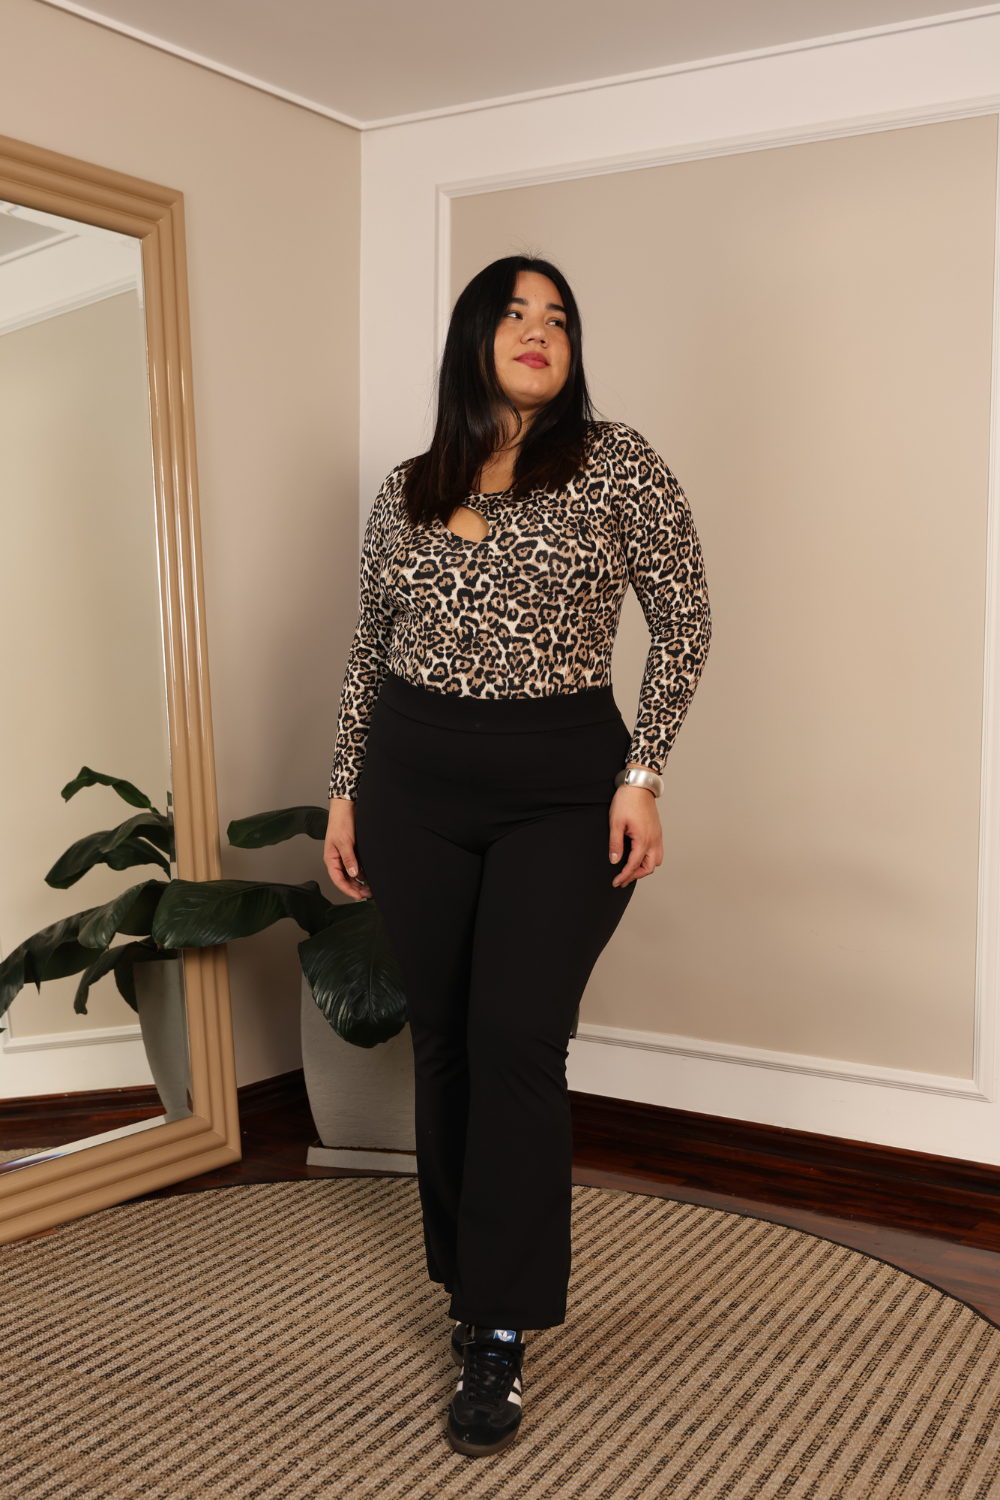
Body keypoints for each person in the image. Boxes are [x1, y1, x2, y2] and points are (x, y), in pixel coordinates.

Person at [324, 255, 711, 1457]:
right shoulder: (408, 486)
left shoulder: (616, 461)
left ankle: (500, 1326)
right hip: (411, 783)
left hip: (559, 785)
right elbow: (369, 644)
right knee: (443, 1039)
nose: (538, 331)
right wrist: (343, 791)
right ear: (473, 339)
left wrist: (642, 774)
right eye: (514, 313)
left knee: (515, 1039)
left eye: (558, 318)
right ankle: (465, 1280)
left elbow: (684, 619)